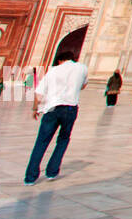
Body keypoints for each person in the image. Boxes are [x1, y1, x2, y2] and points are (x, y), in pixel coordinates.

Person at [24, 50, 88, 185]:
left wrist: (35, 108)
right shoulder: (82, 68)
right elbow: (83, 85)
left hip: (52, 109)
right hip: (70, 108)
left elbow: (39, 92)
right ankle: (52, 172)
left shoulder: (53, 71)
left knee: (41, 142)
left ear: (60, 61)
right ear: (73, 58)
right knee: (63, 140)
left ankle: (30, 178)